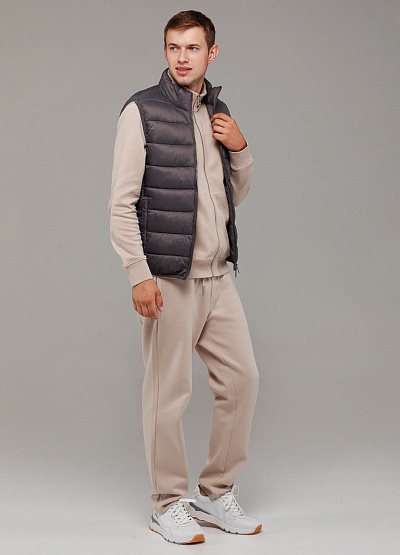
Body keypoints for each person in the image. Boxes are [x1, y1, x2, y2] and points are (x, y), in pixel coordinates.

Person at [108, 10, 261, 545]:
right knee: (167, 394)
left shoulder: (218, 112)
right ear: (165, 51)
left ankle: (216, 492)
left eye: (192, 48)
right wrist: (138, 273)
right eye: (173, 47)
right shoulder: (142, 111)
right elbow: (121, 202)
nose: (182, 57)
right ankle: (167, 503)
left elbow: (231, 196)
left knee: (242, 381)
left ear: (211, 53)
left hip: (218, 278)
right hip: (169, 279)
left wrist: (239, 148)